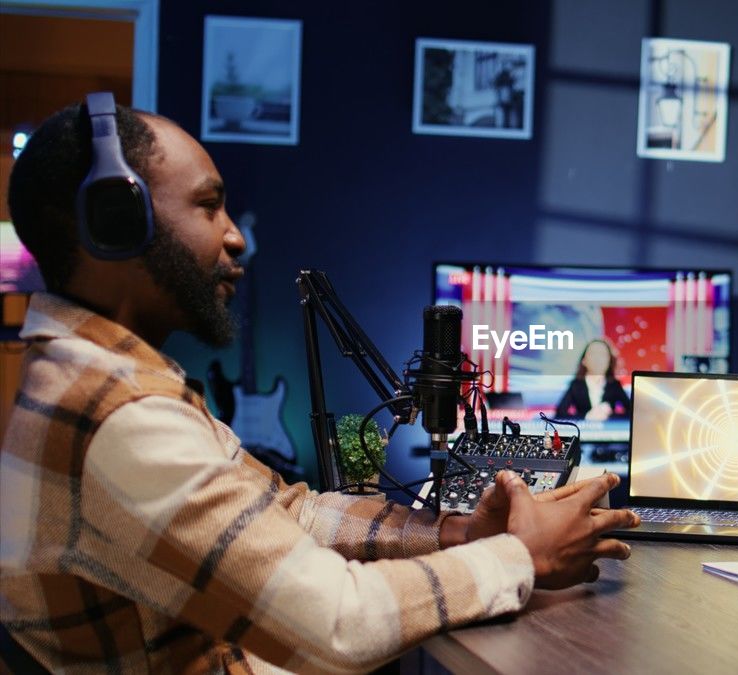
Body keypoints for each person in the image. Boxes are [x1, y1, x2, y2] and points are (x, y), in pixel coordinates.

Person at [0, 97, 641, 673]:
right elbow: (339, 625)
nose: (235, 235)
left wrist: (458, 534)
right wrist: (521, 558)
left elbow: (289, 511)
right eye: (207, 204)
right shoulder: (121, 417)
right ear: (117, 222)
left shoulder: (97, 377)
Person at [555, 338, 631, 421]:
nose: (597, 359)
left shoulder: (614, 385)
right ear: (584, 361)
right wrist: (586, 417)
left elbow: (631, 412)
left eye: (602, 354)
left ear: (609, 361)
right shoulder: (576, 385)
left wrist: (609, 416)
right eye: (593, 354)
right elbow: (560, 413)